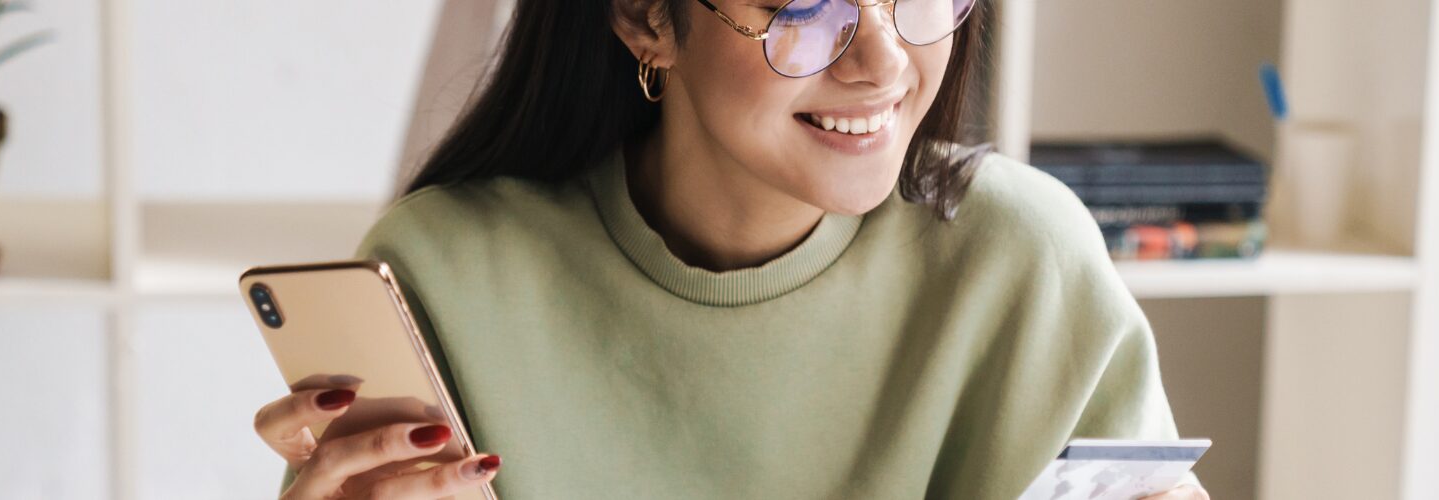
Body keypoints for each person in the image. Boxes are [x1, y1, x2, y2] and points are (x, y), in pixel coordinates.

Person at [252, 0, 1208, 498]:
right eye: (802, 6)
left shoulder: (1023, 262)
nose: (881, 61)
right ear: (646, 17)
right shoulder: (445, 275)